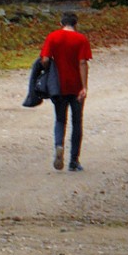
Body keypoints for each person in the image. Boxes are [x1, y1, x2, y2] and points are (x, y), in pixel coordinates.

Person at [39, 11, 92, 171]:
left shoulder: (53, 37)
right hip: (75, 87)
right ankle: (74, 161)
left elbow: (45, 59)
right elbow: (83, 63)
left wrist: (49, 70)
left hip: (58, 86)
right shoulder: (81, 39)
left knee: (60, 119)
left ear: (61, 23)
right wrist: (84, 87)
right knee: (77, 122)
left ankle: (58, 145)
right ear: (75, 24)